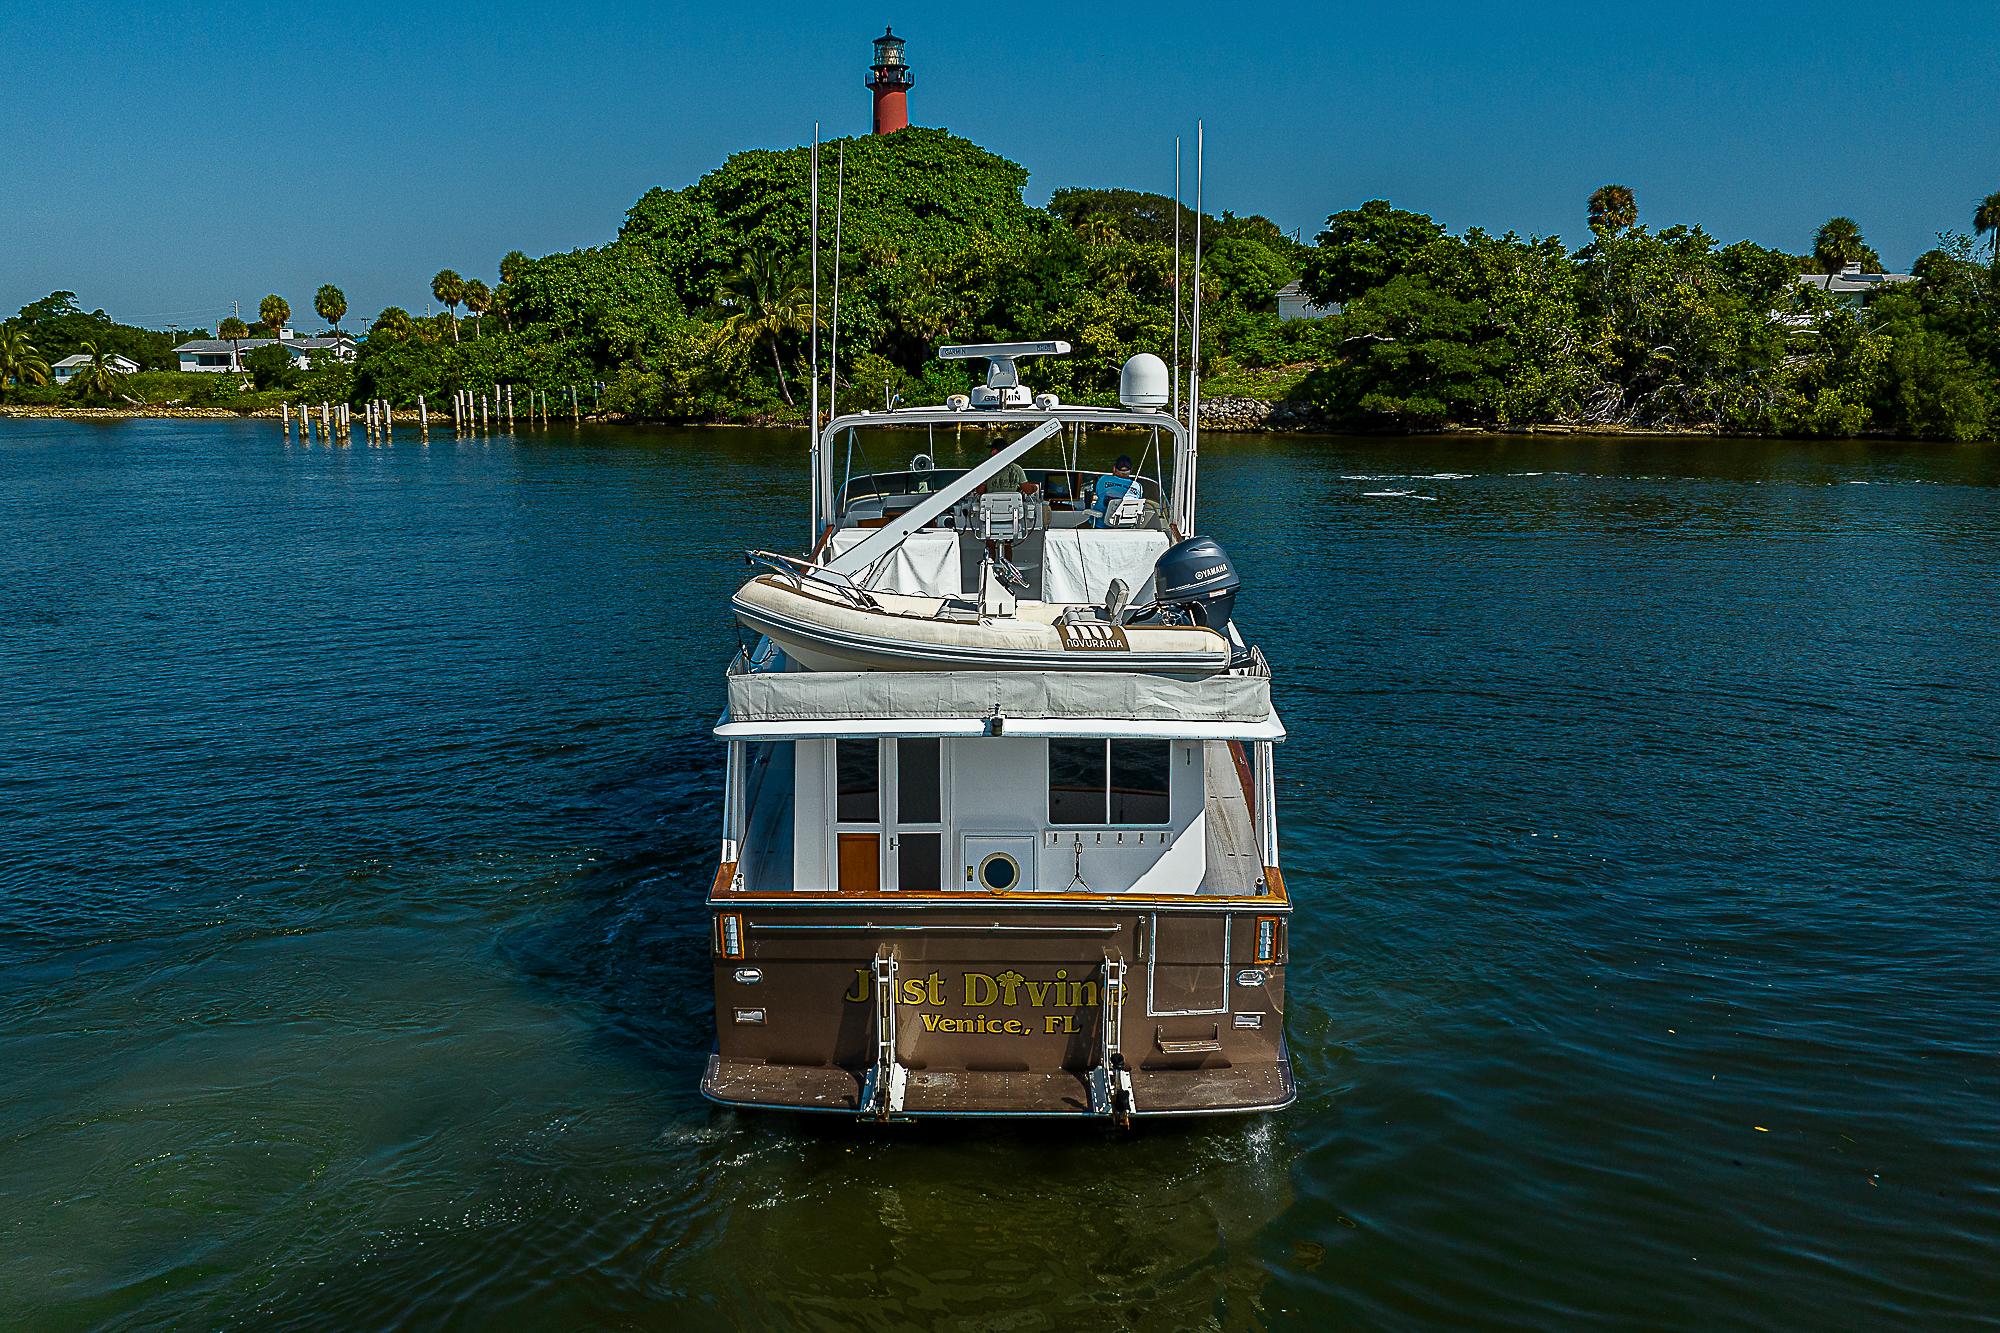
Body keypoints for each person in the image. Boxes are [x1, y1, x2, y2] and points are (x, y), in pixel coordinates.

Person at [1091, 455, 1139, 527]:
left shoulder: (1104, 479)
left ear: (1114, 468)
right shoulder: (1137, 486)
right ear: (1131, 469)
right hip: (1125, 526)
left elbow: (1098, 494)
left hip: (1101, 525)